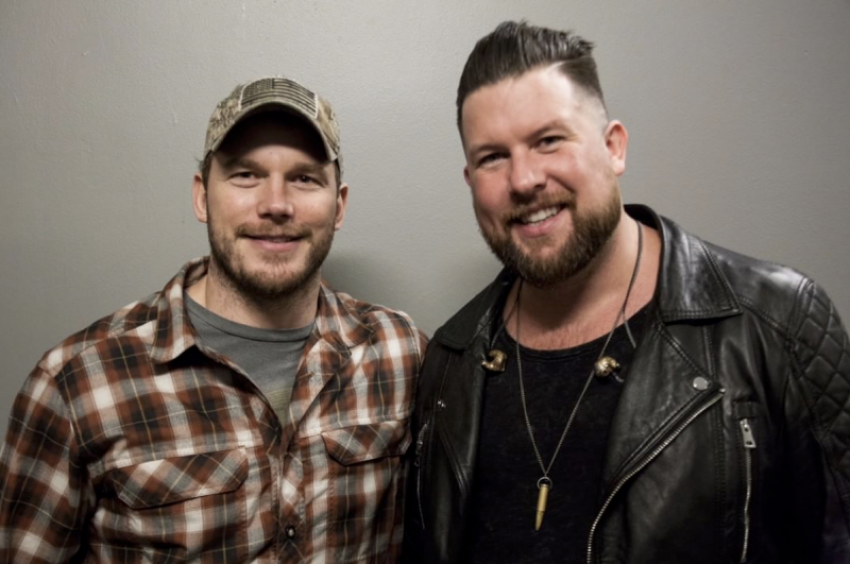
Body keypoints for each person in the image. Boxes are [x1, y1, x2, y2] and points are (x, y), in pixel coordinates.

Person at [404, 21, 850, 564]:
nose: (523, 180)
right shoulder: (450, 361)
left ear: (614, 148)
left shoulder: (774, 321)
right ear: (471, 179)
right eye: (493, 157)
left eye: (549, 140)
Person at [0, 76, 425, 562]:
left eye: (305, 178)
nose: (277, 205)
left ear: (339, 205)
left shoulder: (401, 353)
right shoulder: (76, 385)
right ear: (202, 196)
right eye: (245, 175)